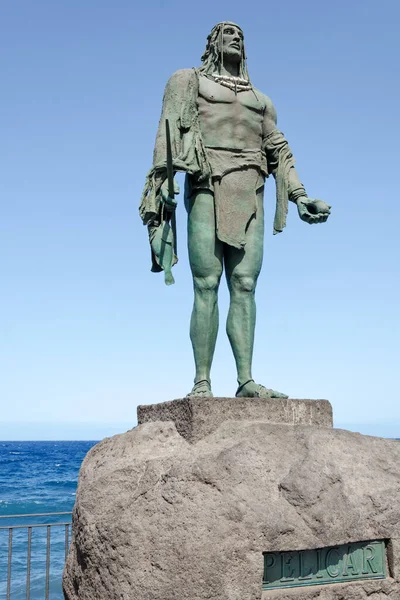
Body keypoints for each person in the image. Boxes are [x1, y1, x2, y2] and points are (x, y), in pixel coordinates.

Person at [140, 22, 331, 399]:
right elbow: (167, 132)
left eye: (240, 33)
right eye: (227, 32)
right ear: (213, 42)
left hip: (251, 188)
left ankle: (245, 380)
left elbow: (278, 148)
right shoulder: (190, 82)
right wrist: (162, 184)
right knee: (206, 283)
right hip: (206, 182)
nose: (235, 36)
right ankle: (202, 382)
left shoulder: (261, 100)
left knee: (244, 285)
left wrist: (299, 194)